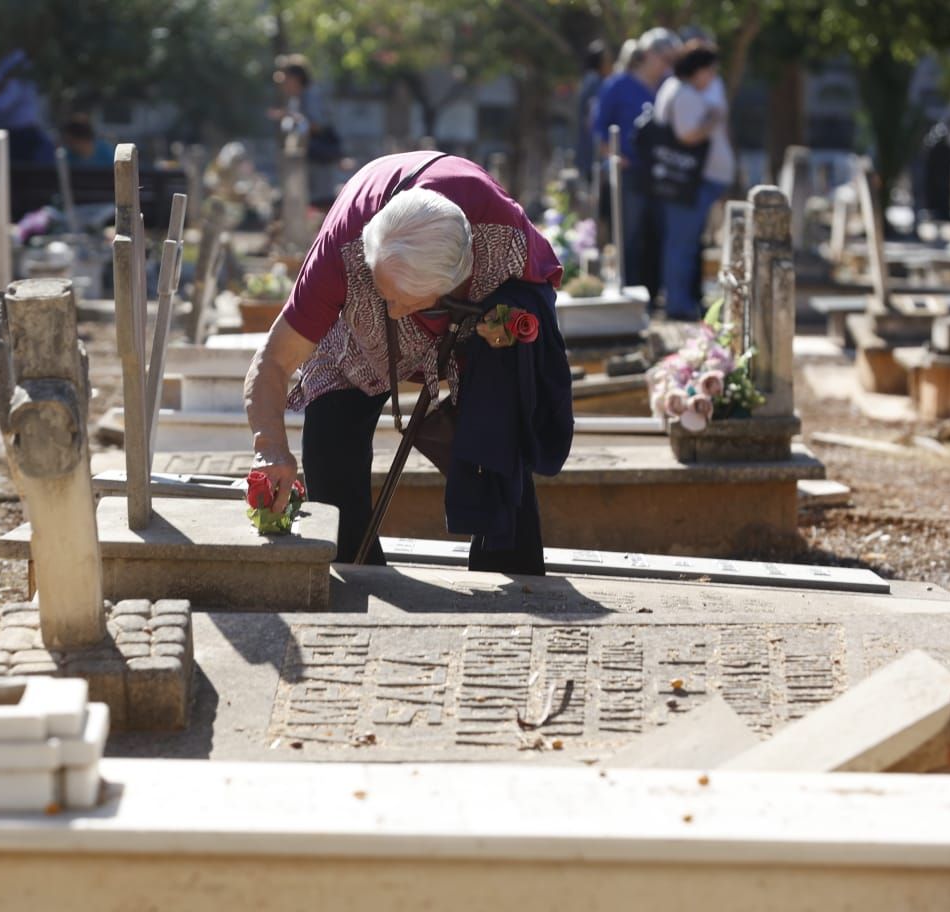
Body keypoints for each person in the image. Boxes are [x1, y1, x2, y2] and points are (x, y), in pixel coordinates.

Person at [244, 153, 570, 572]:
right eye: (388, 295)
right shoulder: (341, 256)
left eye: (407, 301)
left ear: (455, 279)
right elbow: (272, 360)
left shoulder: (502, 237)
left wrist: (502, 325)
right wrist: (269, 450)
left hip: (471, 319)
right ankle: (355, 574)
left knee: (500, 432)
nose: (396, 313)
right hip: (358, 333)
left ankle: (512, 572)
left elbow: (538, 294)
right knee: (330, 446)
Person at [593, 28, 680, 294]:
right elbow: (599, 128)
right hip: (629, 173)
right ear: (647, 54)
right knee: (630, 237)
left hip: (662, 173)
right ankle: (631, 291)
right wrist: (614, 156)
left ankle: (654, 294)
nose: (668, 65)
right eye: (664, 58)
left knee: (658, 234)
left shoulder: (670, 86)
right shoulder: (618, 85)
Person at [654, 40, 735, 319]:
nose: (712, 78)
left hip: (689, 182)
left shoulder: (674, 88)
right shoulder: (684, 92)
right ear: (697, 69)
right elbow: (687, 134)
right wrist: (714, 118)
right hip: (689, 182)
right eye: (710, 71)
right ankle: (678, 305)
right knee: (682, 246)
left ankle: (682, 301)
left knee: (683, 244)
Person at [271, 54, 340, 209]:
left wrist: (292, 117)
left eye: (285, 79)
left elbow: (318, 125)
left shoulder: (311, 96)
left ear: (295, 78)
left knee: (320, 204)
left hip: (318, 160)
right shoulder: (296, 99)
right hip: (306, 162)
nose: (283, 85)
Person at [0, 50, 55, 165]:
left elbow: (1, 106)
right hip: (17, 135)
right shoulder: (20, 81)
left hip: (19, 136)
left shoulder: (16, 82)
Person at [575, 40, 614, 187]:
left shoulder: (591, 80)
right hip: (593, 153)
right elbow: (592, 118)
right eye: (608, 60)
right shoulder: (595, 82)